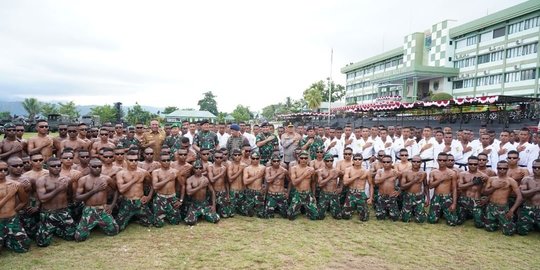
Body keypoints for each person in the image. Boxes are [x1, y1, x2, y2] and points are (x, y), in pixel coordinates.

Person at [74, 159, 119, 241]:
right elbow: (77, 197)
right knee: (79, 238)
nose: (97, 168)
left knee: (114, 231)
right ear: (89, 167)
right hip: (89, 209)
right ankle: (88, 225)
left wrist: (111, 205)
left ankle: (99, 223)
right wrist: (95, 190)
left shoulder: (106, 179)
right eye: (94, 166)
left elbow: (116, 190)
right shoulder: (83, 180)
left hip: (103, 209)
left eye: (99, 166)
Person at [35, 158, 77, 247]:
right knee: (42, 243)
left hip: (63, 212)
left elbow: (70, 195)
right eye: (53, 166)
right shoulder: (42, 180)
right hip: (49, 213)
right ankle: (45, 227)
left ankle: (56, 229)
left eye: (58, 165)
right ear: (47, 167)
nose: (57, 167)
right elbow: (42, 199)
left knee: (72, 237)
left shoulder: (66, 180)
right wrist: (58, 189)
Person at [115, 151, 154, 231]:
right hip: (127, 203)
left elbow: (152, 184)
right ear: (126, 160)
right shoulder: (121, 173)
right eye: (131, 160)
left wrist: (149, 196)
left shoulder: (143, 172)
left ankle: (136, 218)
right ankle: (130, 218)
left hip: (140, 202)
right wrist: (134, 180)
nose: (134, 162)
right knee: (119, 227)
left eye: (136, 160)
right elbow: (121, 189)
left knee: (151, 222)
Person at [483, 161, 522, 236]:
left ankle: (506, 223)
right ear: (497, 168)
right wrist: (494, 187)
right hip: (491, 206)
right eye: (499, 168)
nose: (502, 170)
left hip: (502, 207)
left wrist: (512, 210)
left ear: (507, 169)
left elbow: (519, 197)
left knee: (509, 232)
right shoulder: (491, 179)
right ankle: (497, 223)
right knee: (489, 229)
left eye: (504, 168)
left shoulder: (511, 181)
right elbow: (485, 192)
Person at [0, 160, 30, 253]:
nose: (3, 172)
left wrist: (14, 211)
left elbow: (24, 201)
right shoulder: (12, 189)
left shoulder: (16, 184)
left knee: (24, 248)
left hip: (12, 219)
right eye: (0, 170)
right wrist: (9, 195)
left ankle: (7, 240)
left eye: (5, 170)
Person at [151, 153, 182, 227]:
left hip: (172, 198)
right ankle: (161, 215)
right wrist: (168, 179)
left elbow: (182, 185)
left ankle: (169, 214)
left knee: (176, 222)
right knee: (158, 224)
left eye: (168, 160)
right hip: (160, 198)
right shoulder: (156, 172)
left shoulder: (175, 172)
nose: (166, 162)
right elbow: (155, 186)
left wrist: (181, 200)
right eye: (164, 160)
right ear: (160, 161)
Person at [456, 156, 488, 228]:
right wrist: (473, 183)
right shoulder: (462, 174)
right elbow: (460, 186)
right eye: (471, 164)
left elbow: (488, 190)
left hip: (475, 200)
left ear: (478, 164)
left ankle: (474, 214)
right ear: (467, 164)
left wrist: (486, 199)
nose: (473, 166)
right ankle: (467, 214)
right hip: (463, 200)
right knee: (457, 221)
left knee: (479, 225)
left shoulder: (483, 176)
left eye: (475, 164)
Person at [427, 153, 458, 226]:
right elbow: (430, 186)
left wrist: (454, 203)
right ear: (437, 160)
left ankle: (444, 214)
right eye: (440, 160)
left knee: (452, 222)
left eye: (444, 160)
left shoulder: (452, 173)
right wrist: (441, 179)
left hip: (447, 197)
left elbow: (454, 189)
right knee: (432, 221)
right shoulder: (433, 172)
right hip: (436, 197)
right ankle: (437, 214)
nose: (442, 162)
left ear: (447, 161)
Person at [287, 151, 318, 220]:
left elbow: (313, 182)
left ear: (308, 159)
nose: (303, 160)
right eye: (302, 158)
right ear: (299, 159)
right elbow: (294, 183)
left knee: (315, 216)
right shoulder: (294, 168)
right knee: (290, 216)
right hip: (298, 193)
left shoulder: (311, 169)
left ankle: (307, 210)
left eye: (305, 158)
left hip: (308, 193)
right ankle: (298, 209)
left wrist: (313, 195)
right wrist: (304, 175)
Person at [342, 153, 373, 221]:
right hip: (351, 193)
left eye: (359, 159)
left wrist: (370, 198)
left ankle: (359, 209)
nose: (357, 161)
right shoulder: (348, 170)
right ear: (353, 160)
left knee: (364, 218)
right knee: (345, 216)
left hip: (361, 193)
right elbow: (345, 182)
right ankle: (351, 209)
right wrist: (356, 175)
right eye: (355, 159)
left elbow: (371, 185)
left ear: (362, 160)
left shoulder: (367, 171)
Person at [400, 155, 428, 223]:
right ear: (411, 162)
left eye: (418, 162)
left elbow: (425, 186)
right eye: (414, 161)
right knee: (405, 220)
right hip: (408, 196)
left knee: (420, 220)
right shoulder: (405, 172)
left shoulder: (423, 173)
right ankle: (407, 212)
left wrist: (428, 198)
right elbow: (402, 186)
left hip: (419, 196)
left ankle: (420, 212)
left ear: (421, 163)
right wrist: (414, 181)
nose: (416, 163)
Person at [517, 159, 540, 235]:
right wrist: (536, 189)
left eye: (539, 167)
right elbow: (523, 194)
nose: (536, 169)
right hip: (528, 208)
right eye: (534, 167)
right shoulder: (526, 179)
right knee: (521, 232)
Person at [374, 155, 400, 221]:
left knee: (394, 218)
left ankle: (391, 212)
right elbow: (376, 181)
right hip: (382, 196)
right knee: (380, 218)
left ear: (391, 162)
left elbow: (402, 183)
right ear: (382, 163)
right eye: (384, 162)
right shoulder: (379, 171)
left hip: (391, 197)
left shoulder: (395, 172)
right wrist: (388, 176)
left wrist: (399, 191)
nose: (386, 164)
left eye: (388, 162)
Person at [208, 151, 233, 218]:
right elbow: (211, 180)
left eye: (220, 157)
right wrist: (221, 174)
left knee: (226, 215)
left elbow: (226, 182)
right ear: (213, 158)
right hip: (213, 192)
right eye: (217, 157)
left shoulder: (224, 168)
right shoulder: (210, 167)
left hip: (222, 192)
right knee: (212, 213)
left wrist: (227, 194)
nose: (219, 159)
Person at [317, 154, 341, 219]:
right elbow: (320, 184)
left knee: (338, 216)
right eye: (327, 161)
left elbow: (342, 178)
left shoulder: (337, 171)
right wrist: (330, 177)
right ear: (324, 161)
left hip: (334, 194)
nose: (329, 162)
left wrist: (340, 187)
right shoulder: (320, 171)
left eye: (331, 161)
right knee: (320, 216)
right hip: (324, 193)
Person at [264, 154, 289, 218]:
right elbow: (268, 180)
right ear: (271, 162)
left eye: (278, 161)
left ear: (280, 161)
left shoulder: (284, 170)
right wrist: (278, 173)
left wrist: (287, 191)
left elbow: (289, 181)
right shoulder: (268, 169)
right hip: (271, 194)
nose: (276, 162)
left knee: (286, 215)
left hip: (281, 194)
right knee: (267, 215)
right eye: (274, 161)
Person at [242, 152, 266, 218]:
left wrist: (264, 187)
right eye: (253, 158)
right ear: (250, 158)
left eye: (257, 158)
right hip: (250, 191)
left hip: (259, 191)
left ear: (259, 158)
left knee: (261, 214)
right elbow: (245, 182)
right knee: (248, 214)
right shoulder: (247, 169)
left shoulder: (263, 168)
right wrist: (257, 176)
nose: (255, 160)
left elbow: (266, 179)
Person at [227, 149, 247, 216]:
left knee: (245, 212)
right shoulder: (230, 166)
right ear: (232, 156)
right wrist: (240, 170)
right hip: (233, 191)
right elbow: (230, 179)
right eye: (235, 155)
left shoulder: (244, 165)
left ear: (241, 156)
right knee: (231, 214)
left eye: (239, 155)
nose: (237, 156)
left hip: (242, 190)